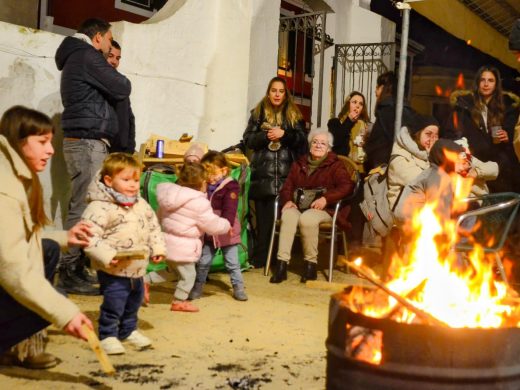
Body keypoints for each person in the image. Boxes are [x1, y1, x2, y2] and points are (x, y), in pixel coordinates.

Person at [0, 106, 93, 368]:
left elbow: (19, 239)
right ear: (18, 141)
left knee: (49, 249)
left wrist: (66, 237)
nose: (51, 151)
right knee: (53, 301)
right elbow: (13, 269)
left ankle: (16, 345)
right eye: (42, 142)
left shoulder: (17, 175)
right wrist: (66, 314)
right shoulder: (4, 189)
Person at [55, 18, 132, 295]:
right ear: (97, 37)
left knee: (87, 206)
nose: (110, 47)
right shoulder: (86, 55)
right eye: (110, 40)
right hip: (87, 143)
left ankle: (76, 268)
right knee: (83, 207)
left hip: (87, 142)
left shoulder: (78, 57)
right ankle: (69, 270)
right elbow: (122, 86)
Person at [81, 153, 166, 355]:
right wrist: (107, 255)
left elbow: (153, 227)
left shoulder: (141, 204)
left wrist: (158, 248)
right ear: (109, 181)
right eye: (126, 179)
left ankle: (128, 330)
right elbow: (89, 236)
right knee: (115, 301)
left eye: (136, 180)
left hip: (137, 267)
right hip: (113, 267)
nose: (133, 185)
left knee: (134, 301)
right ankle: (108, 334)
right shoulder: (100, 207)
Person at [270, 129, 354, 284]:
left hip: (324, 209)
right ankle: (281, 265)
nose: (318, 145)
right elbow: (287, 185)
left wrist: (326, 199)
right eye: (315, 142)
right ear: (310, 145)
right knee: (288, 215)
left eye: (323, 143)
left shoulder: (335, 165)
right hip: (299, 206)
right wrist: (287, 199)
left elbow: (347, 186)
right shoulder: (299, 163)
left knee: (307, 219)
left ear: (329, 148)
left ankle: (310, 266)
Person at [243, 76, 307, 269]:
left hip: (287, 175)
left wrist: (284, 135)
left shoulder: (295, 114)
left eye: (281, 91)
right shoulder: (258, 113)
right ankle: (263, 259)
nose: (277, 94)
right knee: (264, 221)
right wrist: (265, 136)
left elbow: (303, 142)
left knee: (284, 220)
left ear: (285, 93)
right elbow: (248, 139)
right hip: (264, 173)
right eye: (274, 90)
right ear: (268, 92)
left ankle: (281, 259)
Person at [156, 162, 231, 312]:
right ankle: (179, 301)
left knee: (171, 272)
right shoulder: (199, 203)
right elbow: (211, 225)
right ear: (202, 183)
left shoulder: (168, 196)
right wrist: (226, 225)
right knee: (189, 275)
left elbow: (159, 217)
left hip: (167, 242)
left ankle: (141, 281)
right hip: (184, 248)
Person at [444, 65, 520, 193]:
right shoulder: (464, 105)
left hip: (499, 166)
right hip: (473, 164)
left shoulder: (508, 107)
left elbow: (515, 132)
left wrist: (508, 135)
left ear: (496, 84)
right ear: (477, 83)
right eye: (482, 80)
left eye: (490, 80)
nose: (486, 84)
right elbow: (452, 134)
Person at [189, 151, 248, 302]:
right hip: (209, 231)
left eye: (213, 172)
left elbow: (230, 208)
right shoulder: (204, 185)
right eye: (206, 173)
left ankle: (238, 287)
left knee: (232, 262)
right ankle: (198, 287)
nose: (210, 177)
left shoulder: (231, 185)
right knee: (203, 262)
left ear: (224, 170)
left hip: (226, 230)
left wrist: (226, 223)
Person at [364, 71, 415, 172]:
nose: (375, 91)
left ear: (384, 88)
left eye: (377, 87)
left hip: (385, 167)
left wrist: (368, 144)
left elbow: (384, 142)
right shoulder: (403, 109)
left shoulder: (387, 110)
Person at [327, 91, 370, 171]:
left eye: (361, 104)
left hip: (360, 171)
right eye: (354, 102)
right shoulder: (334, 122)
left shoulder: (365, 126)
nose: (357, 106)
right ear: (348, 104)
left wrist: (366, 143)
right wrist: (349, 121)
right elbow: (335, 141)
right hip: (340, 169)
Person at [107, 40, 136, 154]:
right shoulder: (96, 80)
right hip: (104, 146)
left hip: (122, 149)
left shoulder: (121, 83)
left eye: (118, 58)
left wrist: (130, 146)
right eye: (111, 56)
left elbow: (129, 117)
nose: (114, 61)